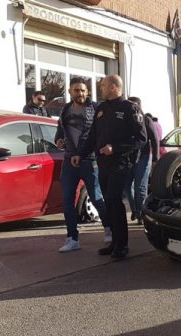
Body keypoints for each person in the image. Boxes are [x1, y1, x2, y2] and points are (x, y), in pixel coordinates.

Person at [84, 75, 147, 260]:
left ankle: (122, 245)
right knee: (109, 202)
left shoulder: (130, 108)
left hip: (121, 163)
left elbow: (140, 138)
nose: (100, 89)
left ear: (113, 87)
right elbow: (93, 136)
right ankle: (114, 242)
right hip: (103, 163)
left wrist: (116, 148)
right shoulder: (102, 109)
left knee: (114, 199)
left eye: (103, 86)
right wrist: (80, 154)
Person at [55, 77, 111, 252]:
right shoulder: (65, 109)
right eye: (76, 90)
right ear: (70, 92)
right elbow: (60, 130)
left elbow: (103, 132)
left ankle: (109, 228)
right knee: (67, 200)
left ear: (87, 92)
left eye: (82, 90)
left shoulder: (95, 109)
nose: (79, 93)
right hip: (69, 161)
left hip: (89, 160)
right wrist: (58, 140)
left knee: (96, 197)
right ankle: (72, 238)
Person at [124, 96, 160, 223]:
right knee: (127, 186)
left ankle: (142, 214)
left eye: (133, 105)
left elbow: (155, 140)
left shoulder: (146, 120)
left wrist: (155, 158)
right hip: (128, 157)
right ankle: (135, 211)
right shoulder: (124, 120)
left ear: (139, 106)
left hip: (143, 157)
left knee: (140, 187)